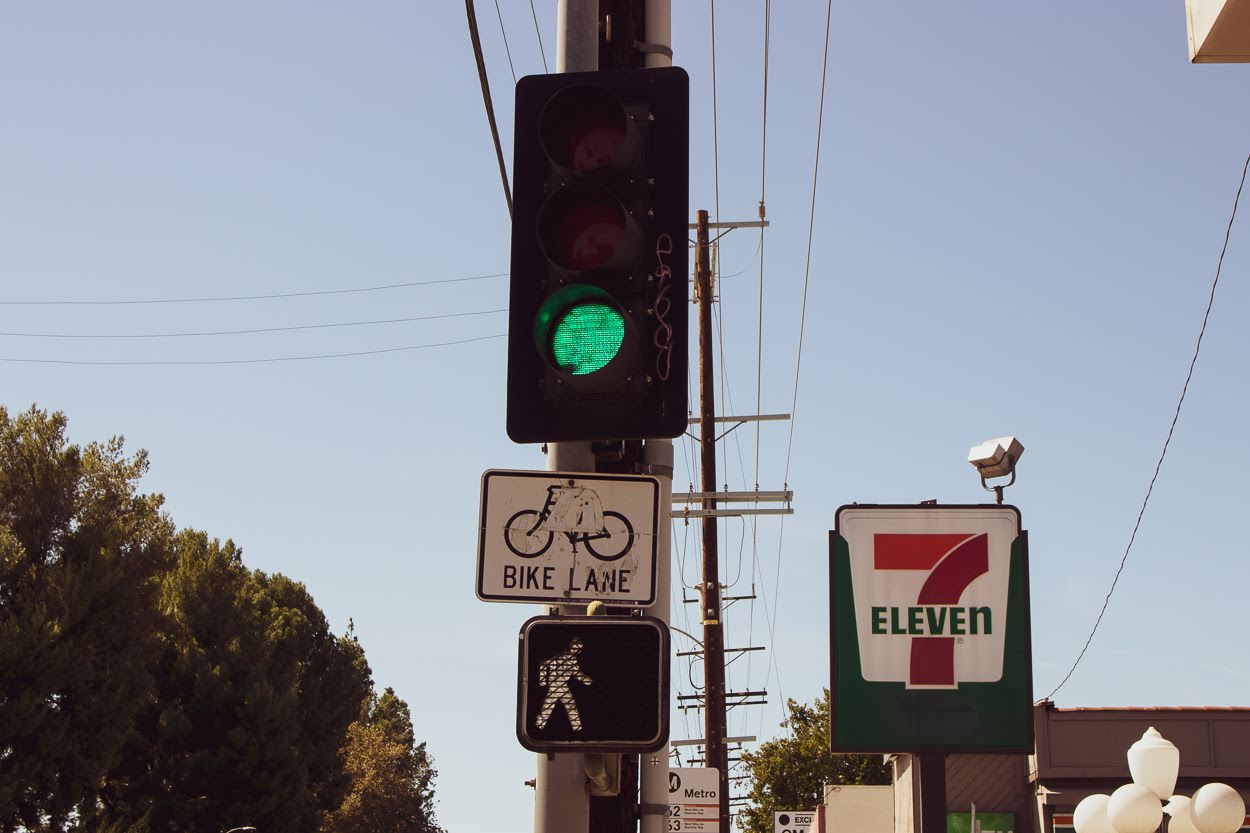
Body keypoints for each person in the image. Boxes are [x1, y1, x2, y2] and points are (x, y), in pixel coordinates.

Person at [535, 637, 593, 731]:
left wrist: (542, 681)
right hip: (559, 684)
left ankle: (539, 726)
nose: (576, 650)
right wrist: (587, 681)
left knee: (549, 707)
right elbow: (576, 673)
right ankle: (577, 729)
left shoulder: (559, 656)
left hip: (557, 684)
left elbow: (543, 664)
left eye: (578, 649)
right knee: (569, 706)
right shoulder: (569, 658)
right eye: (576, 648)